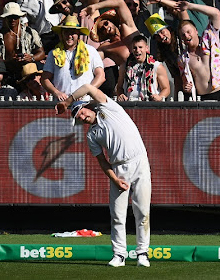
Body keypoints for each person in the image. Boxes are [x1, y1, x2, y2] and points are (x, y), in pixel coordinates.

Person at [55, 83, 151, 268]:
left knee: (142, 212)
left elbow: (88, 88)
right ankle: (119, 255)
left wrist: (67, 102)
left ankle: (142, 254)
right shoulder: (92, 135)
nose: (82, 117)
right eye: (79, 118)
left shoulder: (109, 107)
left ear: (87, 107)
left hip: (140, 162)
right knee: (117, 215)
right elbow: (101, 161)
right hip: (118, 170)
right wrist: (115, 179)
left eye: (82, 113)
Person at [177, 1, 220, 101]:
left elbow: (215, 13)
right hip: (204, 97)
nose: (186, 36)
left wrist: (190, 6)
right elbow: (186, 81)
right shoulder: (183, 58)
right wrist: (187, 87)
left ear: (196, 31)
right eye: (183, 35)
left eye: (189, 32)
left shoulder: (210, 37)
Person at [42, 15, 105, 100]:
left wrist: (87, 92)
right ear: (62, 34)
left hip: (85, 102)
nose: (69, 36)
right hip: (62, 102)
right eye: (66, 32)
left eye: (72, 33)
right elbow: (45, 79)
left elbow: (101, 76)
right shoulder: (53, 53)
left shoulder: (90, 51)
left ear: (78, 33)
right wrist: (57, 93)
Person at [116, 33, 171, 102]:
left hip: (150, 104)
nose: (137, 50)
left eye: (140, 47)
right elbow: (119, 87)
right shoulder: (125, 66)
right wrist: (121, 95)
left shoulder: (157, 66)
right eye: (135, 48)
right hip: (129, 104)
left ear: (146, 48)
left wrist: (159, 97)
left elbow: (166, 89)